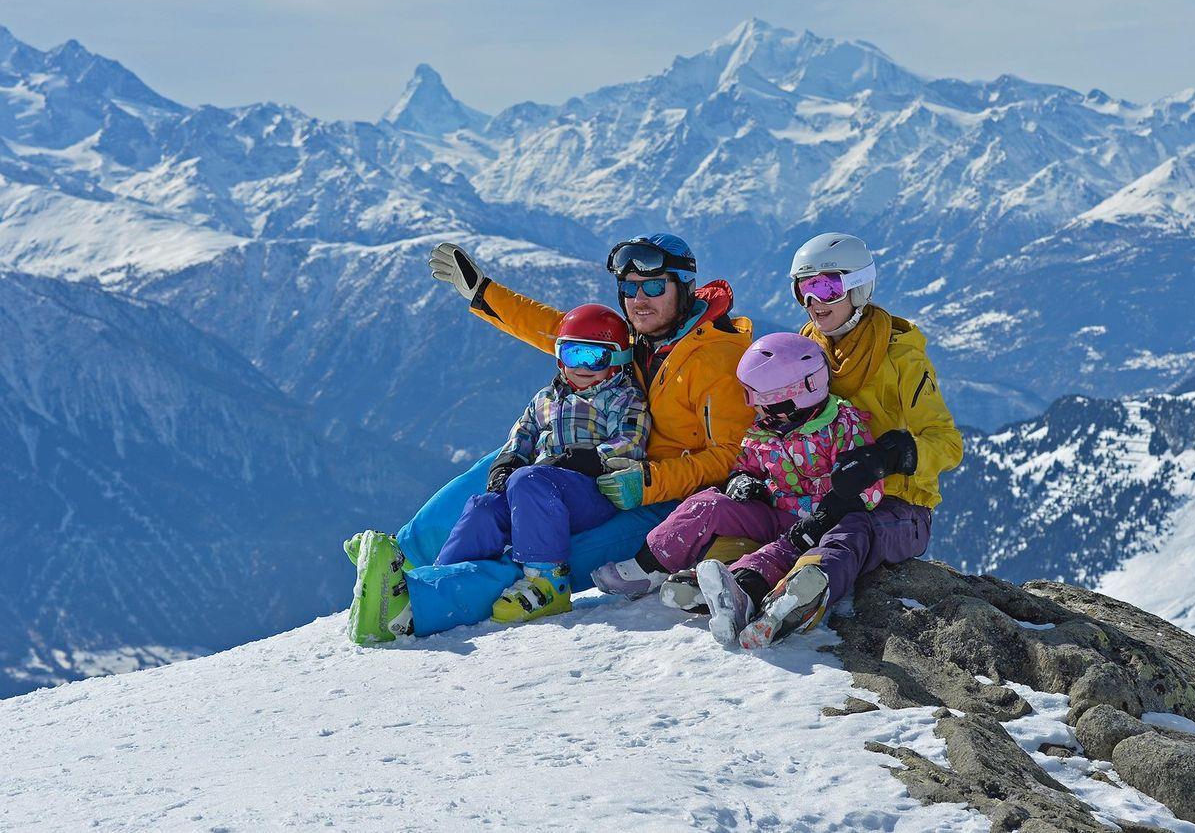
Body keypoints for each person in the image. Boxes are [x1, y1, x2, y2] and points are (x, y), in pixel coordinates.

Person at [346, 233, 753, 638]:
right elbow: (560, 332)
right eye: (629, 288)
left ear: (684, 287)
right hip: (598, 468)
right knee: (500, 469)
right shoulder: (642, 338)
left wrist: (647, 481)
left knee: (541, 550)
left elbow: (731, 456)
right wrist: (484, 293)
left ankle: (416, 604)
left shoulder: (717, 360)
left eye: (653, 287)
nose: (639, 299)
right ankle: (403, 556)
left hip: (659, 502)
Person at [692, 231, 963, 649]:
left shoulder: (901, 358)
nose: (813, 301)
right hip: (818, 496)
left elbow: (947, 442)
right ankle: (731, 584)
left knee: (852, 529)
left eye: (827, 288)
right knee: (758, 514)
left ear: (859, 287)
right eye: (804, 288)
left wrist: (890, 457)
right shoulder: (807, 346)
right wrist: (753, 474)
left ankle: (801, 596)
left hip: (895, 504)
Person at [592, 333, 884, 616]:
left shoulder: (842, 425)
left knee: (778, 552)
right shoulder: (765, 428)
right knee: (708, 503)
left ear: (801, 392)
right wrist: (742, 479)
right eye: (750, 396)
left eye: (762, 399)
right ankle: (650, 565)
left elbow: (867, 485)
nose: (754, 406)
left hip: (818, 525)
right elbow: (746, 463)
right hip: (772, 514)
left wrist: (827, 515)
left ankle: (733, 588)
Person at [435, 304, 650, 625]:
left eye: (595, 357)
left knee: (529, 479)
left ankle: (548, 580)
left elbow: (631, 442)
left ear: (618, 360)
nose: (582, 366)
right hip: (536, 492)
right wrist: (506, 464)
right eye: (573, 354)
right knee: (483, 507)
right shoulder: (546, 398)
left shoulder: (622, 398)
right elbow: (522, 435)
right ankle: (443, 582)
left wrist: (586, 458)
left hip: (592, 491)